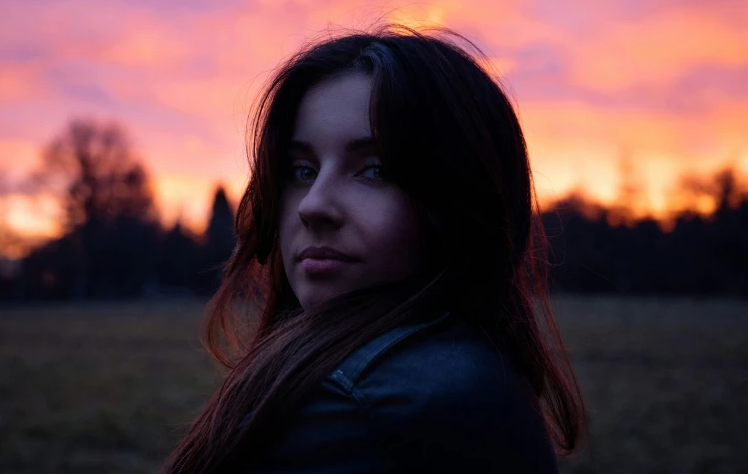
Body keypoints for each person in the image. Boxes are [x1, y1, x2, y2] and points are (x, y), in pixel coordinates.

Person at [162, 24, 586, 473]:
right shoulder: (473, 372)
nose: (313, 205)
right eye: (303, 170)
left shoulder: (363, 407)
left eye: (374, 169)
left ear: (462, 199)